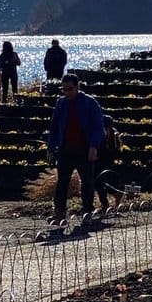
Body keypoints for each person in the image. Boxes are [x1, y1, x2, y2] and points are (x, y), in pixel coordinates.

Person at [46, 72, 107, 232]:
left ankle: (87, 211)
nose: (67, 92)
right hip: (65, 149)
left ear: (77, 87)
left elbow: (98, 126)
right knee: (62, 183)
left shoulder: (90, 103)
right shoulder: (61, 103)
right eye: (64, 89)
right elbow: (54, 127)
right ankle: (59, 213)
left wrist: (94, 146)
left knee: (87, 182)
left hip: (84, 149)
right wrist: (51, 147)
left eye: (70, 89)